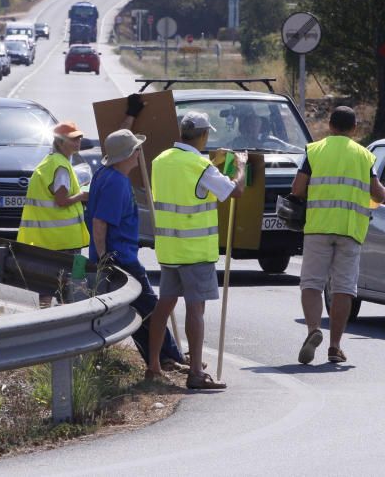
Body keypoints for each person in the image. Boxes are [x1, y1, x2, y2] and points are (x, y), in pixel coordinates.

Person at [145, 112, 247, 389]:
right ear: (203, 135)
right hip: (195, 250)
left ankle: (153, 366)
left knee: (163, 306)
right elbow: (234, 192)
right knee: (195, 310)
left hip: (169, 248)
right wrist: (241, 167)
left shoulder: (160, 161)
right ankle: (195, 373)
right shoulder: (199, 165)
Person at [291, 106, 385, 365]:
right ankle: (335, 346)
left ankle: (313, 330)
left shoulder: (315, 151)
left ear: (329, 126)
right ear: (354, 129)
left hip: (318, 227)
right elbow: (378, 195)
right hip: (350, 230)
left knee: (311, 284)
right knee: (343, 288)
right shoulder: (364, 156)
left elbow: (298, 189)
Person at [86, 127, 188, 370]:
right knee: (152, 309)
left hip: (117, 256)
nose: (139, 154)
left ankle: (165, 359)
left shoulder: (105, 174)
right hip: (120, 258)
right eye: (136, 150)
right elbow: (100, 222)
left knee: (138, 312)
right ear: (128, 154)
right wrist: (104, 258)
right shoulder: (117, 182)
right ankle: (171, 358)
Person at [17, 121, 90, 302]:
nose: (78, 142)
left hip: (48, 238)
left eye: (79, 138)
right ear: (60, 142)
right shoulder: (61, 166)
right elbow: (61, 201)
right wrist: (82, 196)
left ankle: (46, 317)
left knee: (47, 285)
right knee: (70, 285)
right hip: (65, 239)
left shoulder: (49, 162)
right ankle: (65, 320)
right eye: (73, 139)